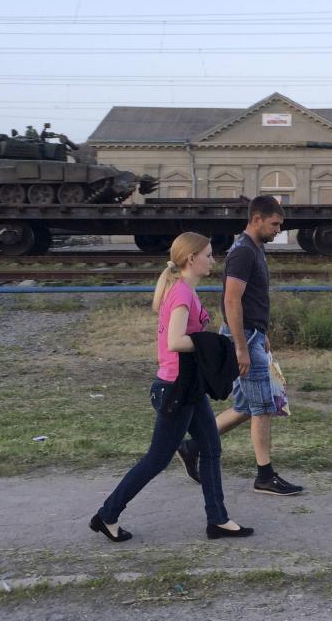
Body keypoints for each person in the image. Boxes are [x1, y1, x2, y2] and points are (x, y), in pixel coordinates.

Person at [90, 232, 253, 542]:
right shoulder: (181, 294)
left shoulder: (185, 291)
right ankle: (107, 514)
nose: (212, 260)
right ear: (191, 259)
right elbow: (175, 342)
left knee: (211, 448)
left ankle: (217, 520)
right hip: (176, 387)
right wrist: (213, 343)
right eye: (207, 254)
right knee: (157, 459)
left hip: (187, 385)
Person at [176, 196, 304, 496]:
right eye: (274, 224)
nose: (277, 230)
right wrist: (241, 346)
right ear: (257, 218)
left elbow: (251, 299)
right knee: (263, 407)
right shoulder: (243, 252)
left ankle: (191, 446)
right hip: (242, 337)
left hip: (251, 334)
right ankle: (265, 476)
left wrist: (262, 333)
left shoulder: (256, 249)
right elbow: (231, 300)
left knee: (247, 406)